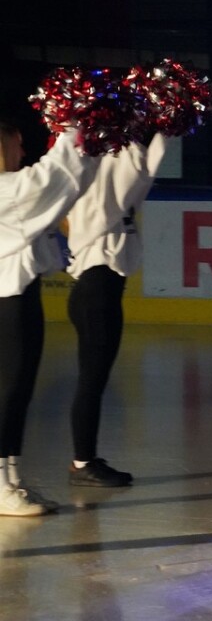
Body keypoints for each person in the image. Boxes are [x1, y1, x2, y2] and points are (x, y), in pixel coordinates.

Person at [0, 121, 98, 515]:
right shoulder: (6, 189)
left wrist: (87, 144)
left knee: (18, 391)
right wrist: (74, 126)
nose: (23, 153)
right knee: (7, 391)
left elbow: (64, 184)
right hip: (6, 300)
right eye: (17, 144)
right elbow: (51, 179)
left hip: (19, 295)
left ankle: (10, 480)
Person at [64, 132, 168, 484]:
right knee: (91, 381)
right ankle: (82, 462)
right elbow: (135, 170)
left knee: (94, 380)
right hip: (96, 292)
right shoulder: (101, 179)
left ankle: (85, 459)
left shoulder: (106, 182)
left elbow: (141, 173)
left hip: (101, 291)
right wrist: (148, 133)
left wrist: (160, 133)